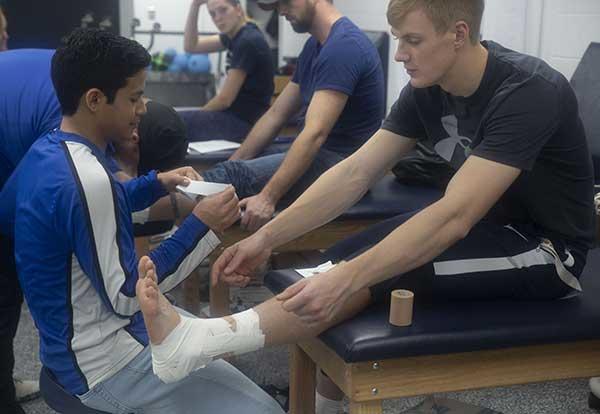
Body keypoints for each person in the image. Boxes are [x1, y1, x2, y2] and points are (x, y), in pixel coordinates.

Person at [132, 1, 596, 414]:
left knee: (377, 271)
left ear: (458, 34)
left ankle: (200, 341)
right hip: (486, 229)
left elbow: (455, 217)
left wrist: (351, 277)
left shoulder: (529, 90)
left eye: (412, 41)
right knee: (339, 257)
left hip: (548, 251)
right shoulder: (426, 89)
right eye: (398, 40)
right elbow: (355, 173)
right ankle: (317, 403)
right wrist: (266, 237)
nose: (399, 55)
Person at [0, 28, 284, 413]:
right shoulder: (89, 179)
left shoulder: (47, 151)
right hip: (103, 366)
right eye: (134, 97)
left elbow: (75, 207)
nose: (144, 107)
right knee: (264, 410)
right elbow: (128, 296)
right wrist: (202, 224)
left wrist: (154, 183)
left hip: (66, 350)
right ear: (95, 100)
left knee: (209, 355)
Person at [201, 0, 385, 232]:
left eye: (285, 2)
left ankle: (147, 215)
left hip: (344, 165)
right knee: (230, 171)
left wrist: (267, 198)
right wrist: (234, 161)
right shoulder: (314, 46)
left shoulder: (344, 47)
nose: (281, 11)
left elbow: (314, 133)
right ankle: (150, 208)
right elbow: (276, 114)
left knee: (231, 178)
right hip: (323, 155)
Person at [181, 0, 274, 141]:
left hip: (244, 124)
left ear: (238, 10)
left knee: (175, 123)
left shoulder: (247, 41)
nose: (218, 18)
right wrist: (195, 6)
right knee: (174, 121)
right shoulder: (235, 36)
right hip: (237, 119)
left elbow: (225, 100)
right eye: (213, 14)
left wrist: (199, 116)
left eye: (223, 10)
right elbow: (191, 46)